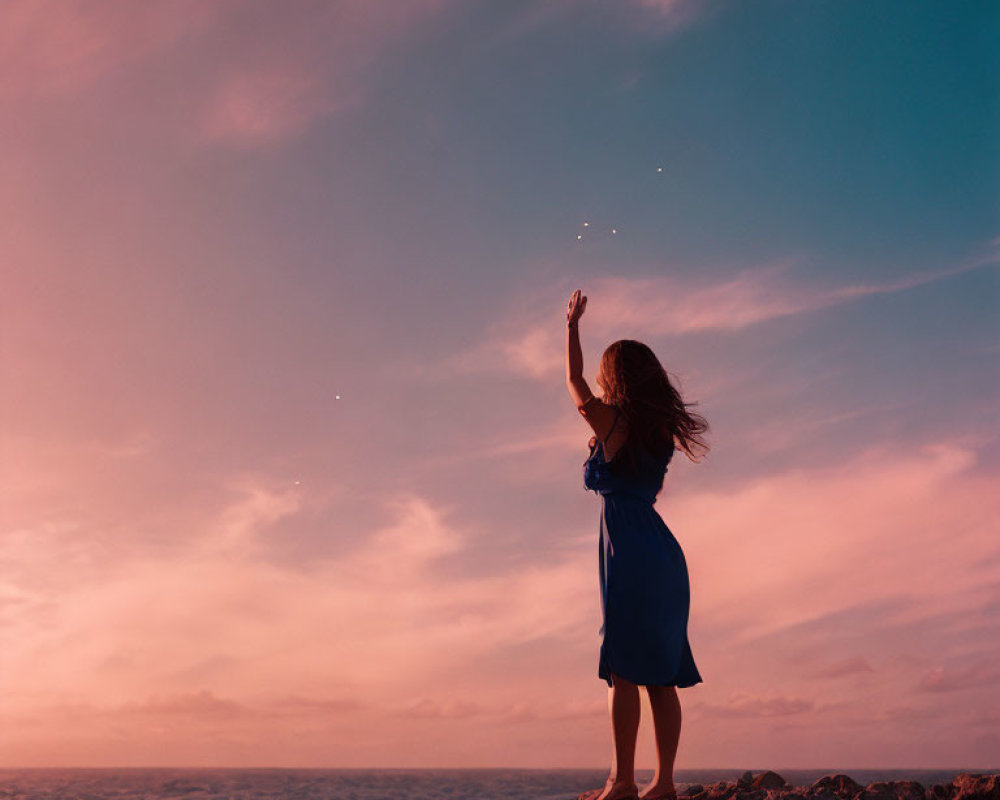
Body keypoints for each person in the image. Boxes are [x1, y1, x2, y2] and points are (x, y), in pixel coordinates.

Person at [566, 288, 709, 800]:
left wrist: (572, 328)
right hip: (663, 553)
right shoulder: (659, 428)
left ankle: (625, 782)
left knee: (624, 668)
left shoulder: (613, 422)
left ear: (616, 376)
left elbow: (575, 384)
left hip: (628, 551)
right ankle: (663, 783)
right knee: (661, 675)